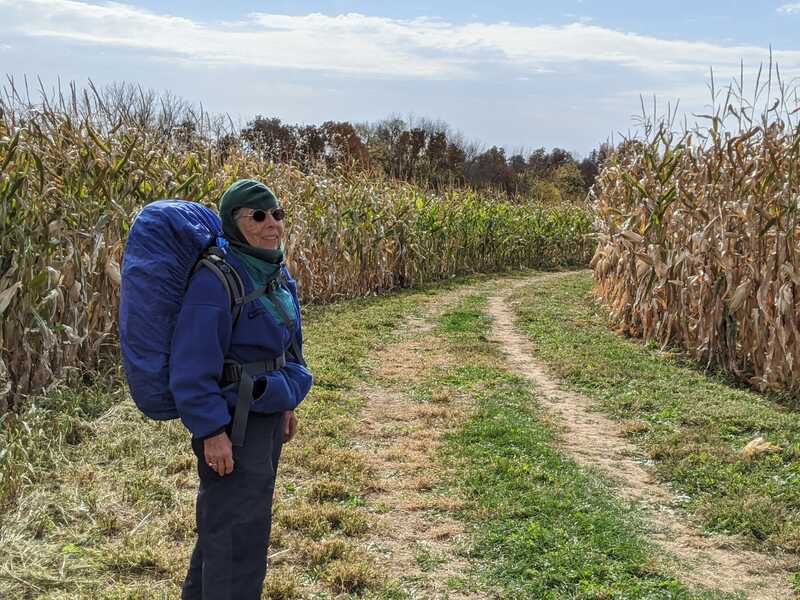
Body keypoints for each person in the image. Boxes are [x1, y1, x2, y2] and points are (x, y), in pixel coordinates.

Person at [169, 179, 313, 600]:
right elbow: (192, 365)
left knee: (232, 525)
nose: (272, 224)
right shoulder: (215, 280)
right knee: (238, 533)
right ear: (234, 223)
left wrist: (287, 403)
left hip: (265, 412)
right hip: (233, 423)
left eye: (277, 214)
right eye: (258, 216)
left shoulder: (274, 271)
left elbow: (285, 345)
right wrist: (211, 431)